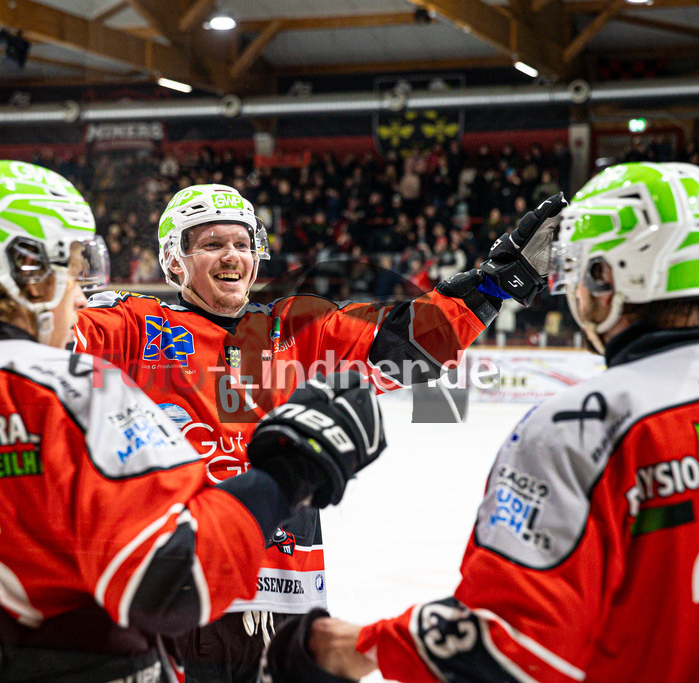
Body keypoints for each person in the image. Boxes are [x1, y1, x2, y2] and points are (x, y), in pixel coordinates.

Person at [0, 161, 385, 683]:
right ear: (30, 274)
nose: (81, 296)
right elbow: (174, 581)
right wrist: (288, 475)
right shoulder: (81, 396)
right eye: (75, 271)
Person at [264, 161, 699, 682]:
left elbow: (510, 644)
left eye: (576, 269)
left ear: (604, 276)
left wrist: (355, 647)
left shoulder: (579, 428)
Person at [72, 182, 565, 681]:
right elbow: (47, 343)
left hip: (284, 596)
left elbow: (406, 343)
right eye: (212, 243)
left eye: (242, 243)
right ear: (175, 261)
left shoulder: (297, 327)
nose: (232, 256)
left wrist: (494, 283)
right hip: (178, 590)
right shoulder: (132, 323)